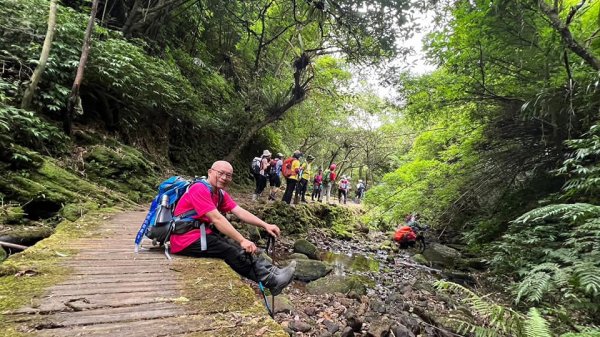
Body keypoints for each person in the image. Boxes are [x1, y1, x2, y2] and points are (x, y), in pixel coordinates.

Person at [171, 160, 296, 295]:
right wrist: (242, 240)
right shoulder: (199, 188)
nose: (224, 178)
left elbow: (240, 211)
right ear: (210, 172)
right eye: (221, 173)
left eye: (228, 175)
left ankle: (273, 271)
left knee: (234, 245)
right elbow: (217, 218)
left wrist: (265, 225)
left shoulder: (219, 194)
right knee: (231, 251)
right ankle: (272, 281)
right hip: (184, 240)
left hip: (200, 235)